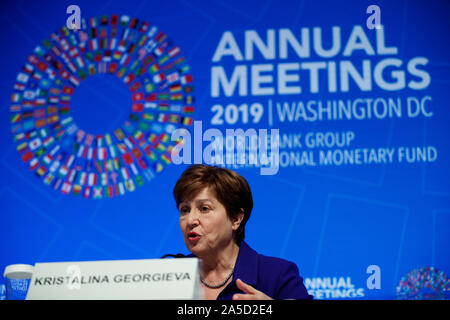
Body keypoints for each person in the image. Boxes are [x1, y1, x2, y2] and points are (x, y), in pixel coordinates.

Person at [173, 164, 313, 300]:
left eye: (204, 209)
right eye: (185, 210)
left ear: (236, 219)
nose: (191, 220)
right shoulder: (169, 276)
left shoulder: (278, 276)